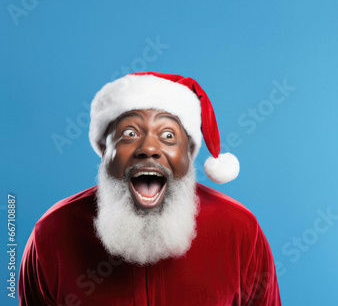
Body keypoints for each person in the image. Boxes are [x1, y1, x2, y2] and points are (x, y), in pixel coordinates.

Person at [19, 72, 281, 305]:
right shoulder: (52, 233)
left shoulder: (240, 230)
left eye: (168, 136)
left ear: (188, 153)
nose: (149, 149)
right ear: (104, 152)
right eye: (129, 134)